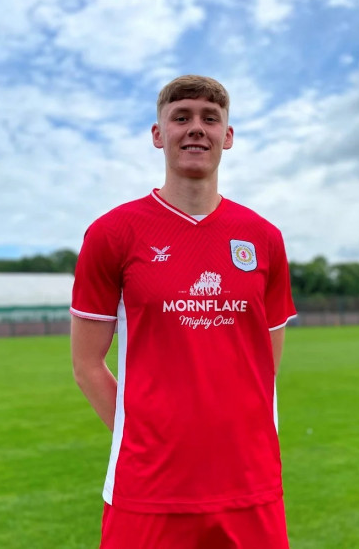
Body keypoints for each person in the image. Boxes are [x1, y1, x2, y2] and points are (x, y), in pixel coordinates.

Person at [70, 75, 297, 549]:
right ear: (158, 134)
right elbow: (87, 364)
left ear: (227, 137)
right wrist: (146, 436)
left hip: (250, 487)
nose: (196, 128)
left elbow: (265, 364)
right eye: (181, 117)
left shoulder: (264, 238)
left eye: (209, 118)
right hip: (148, 490)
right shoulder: (112, 234)